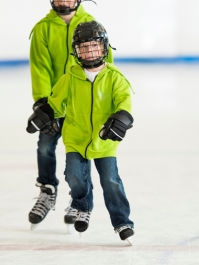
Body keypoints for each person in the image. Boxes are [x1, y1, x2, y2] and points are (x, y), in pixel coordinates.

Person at [26, 21, 134, 244]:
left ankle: (122, 221)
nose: (89, 51)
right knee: (74, 176)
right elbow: (56, 103)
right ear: (76, 51)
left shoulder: (115, 77)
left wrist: (121, 119)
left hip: (104, 141)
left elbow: (125, 102)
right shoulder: (69, 77)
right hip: (76, 138)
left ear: (104, 47)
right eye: (83, 47)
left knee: (111, 181)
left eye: (93, 46)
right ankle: (81, 205)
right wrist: (43, 114)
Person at [27, 0, 114, 231]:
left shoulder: (91, 27)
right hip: (55, 103)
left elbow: (104, 66)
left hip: (81, 103)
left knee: (80, 154)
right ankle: (47, 189)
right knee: (45, 146)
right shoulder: (42, 29)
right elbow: (40, 67)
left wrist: (102, 104)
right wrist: (43, 104)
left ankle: (81, 202)